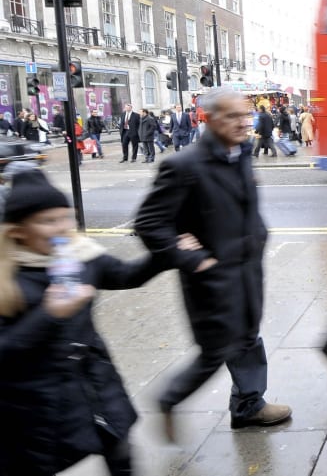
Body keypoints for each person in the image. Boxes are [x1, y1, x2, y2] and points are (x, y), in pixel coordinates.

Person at [0, 169, 197, 475]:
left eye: (66, 217)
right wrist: (49, 314)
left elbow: (125, 275)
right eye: (48, 221)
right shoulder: (8, 279)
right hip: (36, 404)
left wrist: (167, 254)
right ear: (19, 232)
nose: (62, 228)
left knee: (120, 452)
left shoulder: (80, 256)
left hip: (94, 386)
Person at [134, 87, 291, 442]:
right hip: (211, 278)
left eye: (245, 114)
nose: (243, 122)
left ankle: (248, 406)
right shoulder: (183, 165)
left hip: (247, 270)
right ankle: (169, 398)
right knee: (216, 351)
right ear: (210, 119)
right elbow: (149, 223)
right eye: (232, 116)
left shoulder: (241, 153)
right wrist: (190, 257)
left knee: (248, 337)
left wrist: (259, 235)